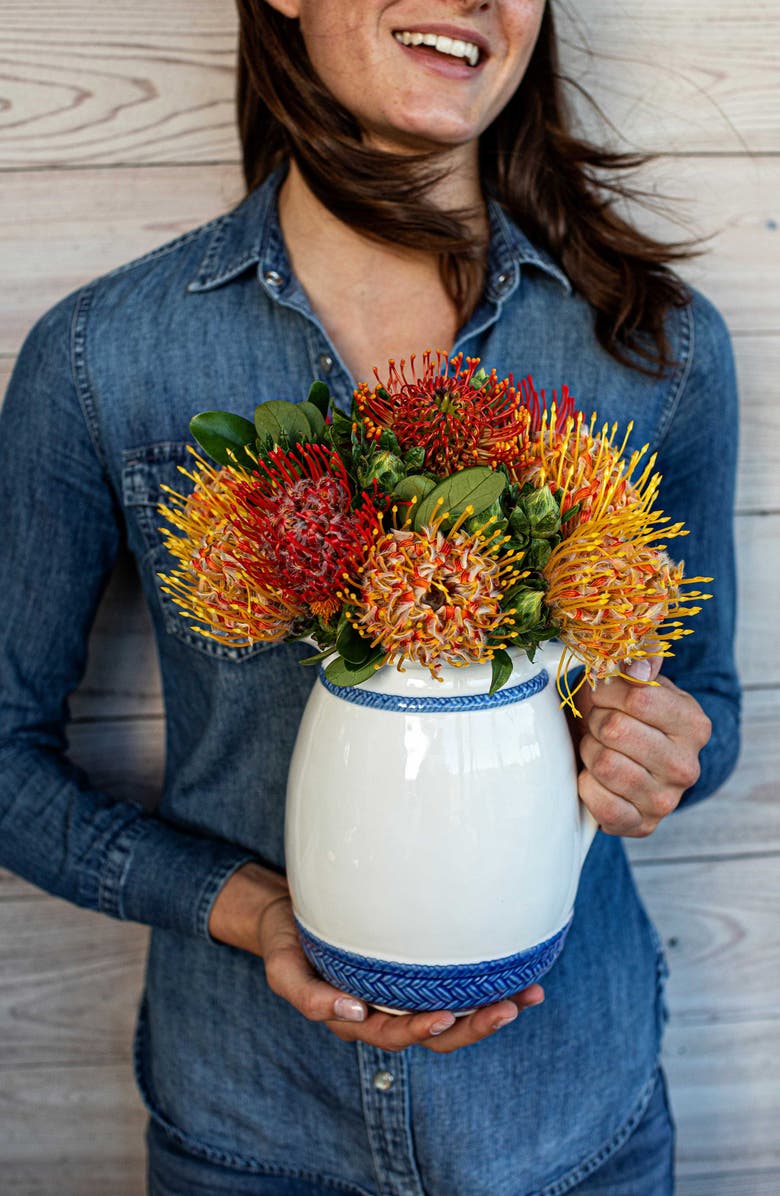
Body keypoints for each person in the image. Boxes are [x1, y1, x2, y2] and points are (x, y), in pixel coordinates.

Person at [0, 2, 739, 1193]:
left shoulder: (655, 349)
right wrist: (239, 907)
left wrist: (658, 752)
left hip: (574, 1126)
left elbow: (706, 698)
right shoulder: (103, 358)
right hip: (251, 1130)